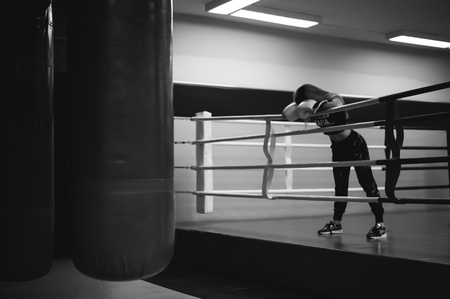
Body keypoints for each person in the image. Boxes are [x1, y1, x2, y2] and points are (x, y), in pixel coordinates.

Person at [282, 84, 386, 239]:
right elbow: (286, 115)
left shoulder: (333, 99)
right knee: (340, 185)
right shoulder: (308, 107)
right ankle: (336, 223)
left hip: (355, 144)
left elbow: (339, 109)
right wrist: (299, 107)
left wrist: (316, 105)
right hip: (338, 147)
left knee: (366, 182)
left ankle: (380, 224)